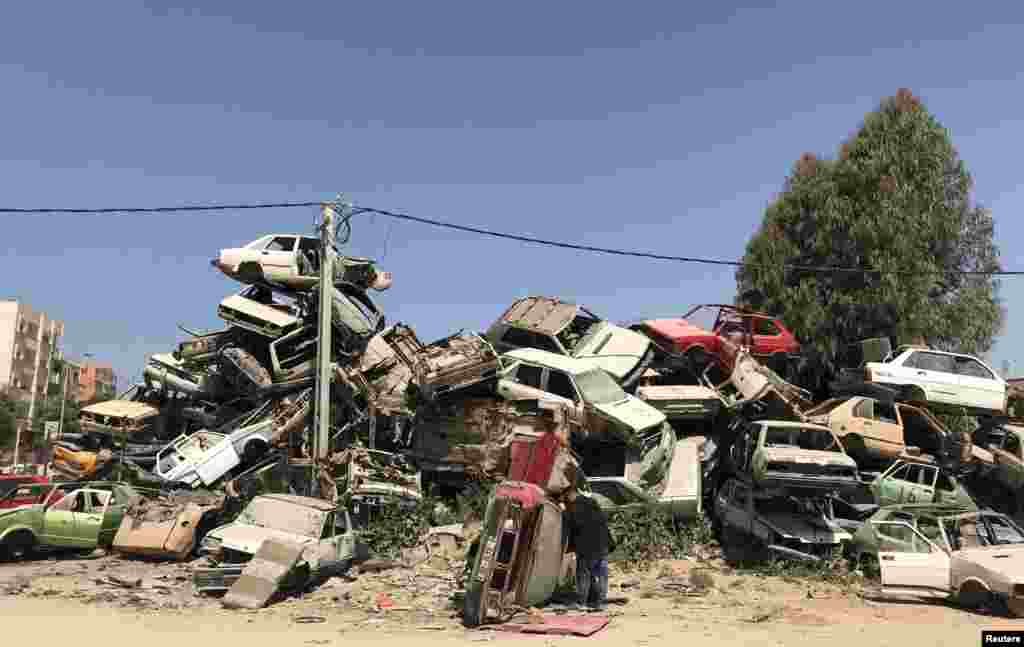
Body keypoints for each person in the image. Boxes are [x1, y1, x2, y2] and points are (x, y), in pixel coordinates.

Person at [564, 489, 613, 611]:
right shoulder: (592, 502)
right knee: (601, 574)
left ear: (569, 496)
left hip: (586, 547)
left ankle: (582, 602)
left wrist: (569, 547)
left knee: (583, 574)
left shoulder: (572, 508)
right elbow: (603, 522)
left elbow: (572, 529)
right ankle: (599, 603)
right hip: (602, 544)